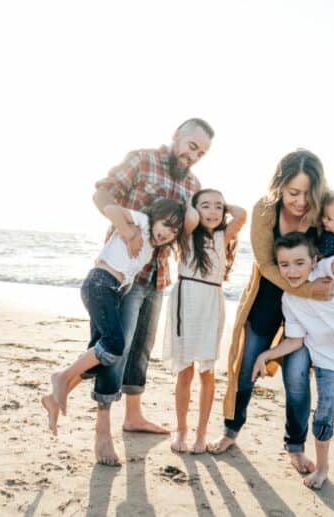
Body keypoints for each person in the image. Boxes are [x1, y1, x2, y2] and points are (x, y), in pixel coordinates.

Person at [209, 149, 334, 477]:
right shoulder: (265, 209)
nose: (300, 201)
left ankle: (295, 447)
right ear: (279, 186)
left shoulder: (326, 206)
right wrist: (308, 288)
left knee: (297, 379)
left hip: (310, 310)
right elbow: (266, 264)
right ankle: (231, 430)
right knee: (247, 366)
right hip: (269, 296)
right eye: (293, 193)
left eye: (307, 193)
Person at [90, 119, 214, 463]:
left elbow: (196, 231)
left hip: (159, 277)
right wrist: (126, 229)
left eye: (201, 153)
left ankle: (133, 415)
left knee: (141, 349)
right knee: (117, 347)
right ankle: (102, 430)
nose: (193, 156)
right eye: (191, 146)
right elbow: (102, 192)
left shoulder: (193, 184)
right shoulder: (142, 160)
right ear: (176, 136)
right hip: (124, 274)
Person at [41, 198, 187, 465]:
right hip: (100, 284)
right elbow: (109, 209)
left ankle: (53, 399)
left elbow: (128, 272)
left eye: (173, 230)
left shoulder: (152, 249)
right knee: (114, 346)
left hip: (112, 291)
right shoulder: (141, 223)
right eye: (165, 223)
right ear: (154, 217)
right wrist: (130, 232)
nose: (166, 231)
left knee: (100, 358)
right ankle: (61, 377)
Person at [251, 231, 334, 489]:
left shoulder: (325, 273)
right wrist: (266, 355)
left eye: (299, 263)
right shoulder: (289, 300)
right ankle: (323, 468)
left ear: (314, 261)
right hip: (328, 363)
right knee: (324, 417)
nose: (292, 271)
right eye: (284, 265)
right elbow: (295, 340)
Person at [162, 189, 247, 454]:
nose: (212, 212)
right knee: (185, 371)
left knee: (206, 371)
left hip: (211, 303)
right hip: (186, 300)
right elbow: (189, 218)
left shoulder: (223, 236)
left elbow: (242, 214)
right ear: (195, 209)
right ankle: (181, 431)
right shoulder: (187, 235)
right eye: (206, 206)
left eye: (218, 207)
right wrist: (191, 205)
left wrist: (223, 204)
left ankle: (201, 434)